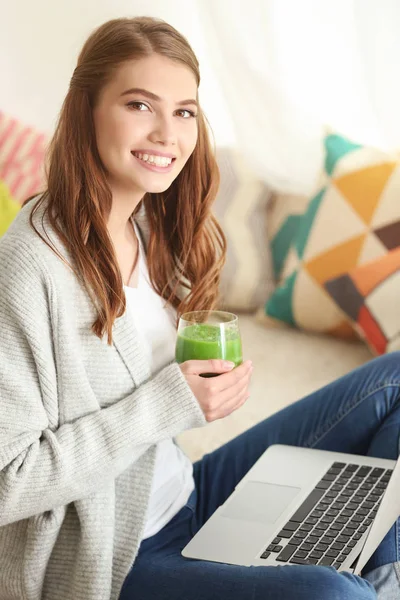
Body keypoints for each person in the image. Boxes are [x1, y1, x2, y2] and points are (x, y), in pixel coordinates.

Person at [0, 16, 398, 600]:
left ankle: (375, 576)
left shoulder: (140, 225)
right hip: (119, 552)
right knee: (329, 595)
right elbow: (9, 481)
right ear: (87, 108)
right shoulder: (29, 265)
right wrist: (171, 402)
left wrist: (200, 390)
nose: (168, 133)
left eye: (184, 110)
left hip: (188, 491)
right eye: (140, 105)